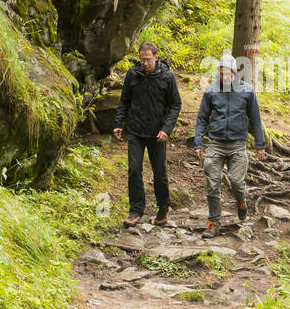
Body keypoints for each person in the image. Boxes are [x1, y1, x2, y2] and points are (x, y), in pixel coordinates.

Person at [194, 52, 266, 237]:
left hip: (238, 144)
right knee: (212, 185)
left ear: (235, 73)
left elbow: (255, 120)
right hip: (216, 144)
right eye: (222, 73)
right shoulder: (211, 91)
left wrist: (260, 144)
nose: (225, 77)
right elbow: (202, 118)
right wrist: (198, 143)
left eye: (228, 74)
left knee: (236, 181)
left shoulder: (247, 91)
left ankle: (241, 200)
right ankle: (213, 223)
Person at [113, 42, 182, 227]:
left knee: (159, 172)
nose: (145, 63)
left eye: (148, 60)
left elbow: (175, 104)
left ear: (156, 57)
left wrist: (166, 129)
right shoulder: (132, 74)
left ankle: (162, 207)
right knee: (134, 169)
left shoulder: (167, 76)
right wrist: (119, 123)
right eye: (142, 59)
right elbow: (124, 100)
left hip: (157, 132)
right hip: (135, 130)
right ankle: (136, 210)